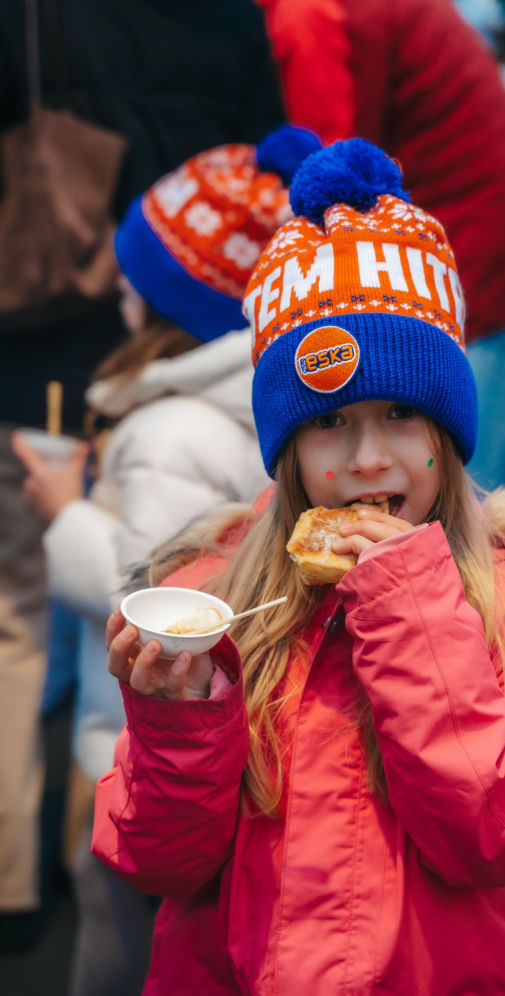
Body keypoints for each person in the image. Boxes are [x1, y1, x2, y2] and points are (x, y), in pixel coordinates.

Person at [92, 139, 505, 994]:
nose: (368, 459)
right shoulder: (211, 599)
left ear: (447, 435)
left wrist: (414, 611)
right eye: (330, 423)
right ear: (287, 453)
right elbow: (156, 862)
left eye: (402, 413)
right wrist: (175, 720)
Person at [0, 0, 287, 946]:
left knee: (121, 937)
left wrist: (62, 513)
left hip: (147, 738)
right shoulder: (265, 402)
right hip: (216, 741)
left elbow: (141, 591)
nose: (118, 287)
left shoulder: (162, 433)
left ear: (158, 300)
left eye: (133, 280)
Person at [256, 0, 505, 489]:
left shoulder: (309, 16)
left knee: (468, 500)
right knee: (485, 495)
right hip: (496, 240)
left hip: (481, 260)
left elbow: (324, 174)